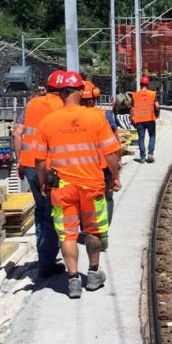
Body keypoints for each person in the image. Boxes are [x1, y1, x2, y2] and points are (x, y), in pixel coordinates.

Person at [34, 71, 121, 299]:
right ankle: (93, 274)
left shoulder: (48, 121)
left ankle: (73, 280)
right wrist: (115, 176)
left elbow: (40, 160)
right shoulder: (96, 118)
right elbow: (111, 153)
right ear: (81, 92)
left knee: (68, 235)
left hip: (62, 187)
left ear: (61, 94)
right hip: (92, 185)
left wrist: (44, 183)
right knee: (93, 230)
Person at [12, 71, 64, 279]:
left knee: (41, 212)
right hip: (50, 168)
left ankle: (45, 258)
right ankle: (46, 264)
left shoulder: (32, 104)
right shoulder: (63, 107)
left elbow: (17, 133)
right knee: (53, 214)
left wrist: (19, 161)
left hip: (29, 165)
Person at [81, 79, 121, 222]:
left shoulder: (72, 117)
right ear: (95, 97)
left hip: (81, 167)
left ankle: (87, 231)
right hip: (104, 166)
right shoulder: (106, 115)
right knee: (107, 198)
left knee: (83, 200)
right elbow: (116, 144)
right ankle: (102, 232)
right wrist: (118, 165)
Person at [129, 76, 159, 163]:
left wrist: (132, 119)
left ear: (140, 84)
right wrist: (157, 111)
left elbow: (131, 109)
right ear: (148, 84)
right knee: (152, 136)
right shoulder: (152, 94)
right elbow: (157, 106)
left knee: (141, 138)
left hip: (139, 120)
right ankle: (150, 154)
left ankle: (142, 157)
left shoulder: (135, 95)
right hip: (150, 119)